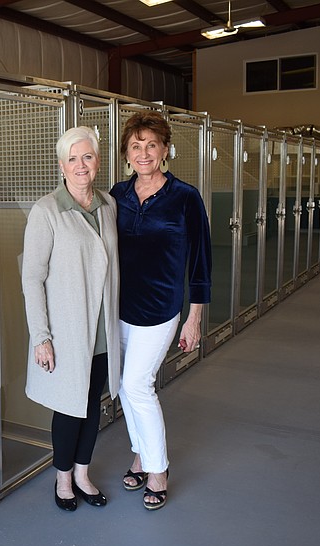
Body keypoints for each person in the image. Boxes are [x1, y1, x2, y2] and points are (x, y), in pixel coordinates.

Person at [110, 110, 212, 511]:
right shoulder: (117, 193)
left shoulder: (185, 197)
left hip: (161, 306)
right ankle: (140, 454)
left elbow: (201, 261)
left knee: (137, 384)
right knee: (122, 385)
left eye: (152, 144)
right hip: (119, 306)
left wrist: (195, 316)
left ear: (165, 149)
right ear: (126, 153)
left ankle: (158, 469)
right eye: (136, 146)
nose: (144, 153)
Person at [22, 126, 121, 512]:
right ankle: (63, 478)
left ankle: (83, 473)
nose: (81, 165)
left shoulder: (108, 206)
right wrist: (41, 337)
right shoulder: (47, 211)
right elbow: (32, 278)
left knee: (92, 403)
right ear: (61, 165)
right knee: (68, 406)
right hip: (66, 330)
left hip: (101, 328)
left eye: (88, 157)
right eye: (73, 158)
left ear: (97, 162)